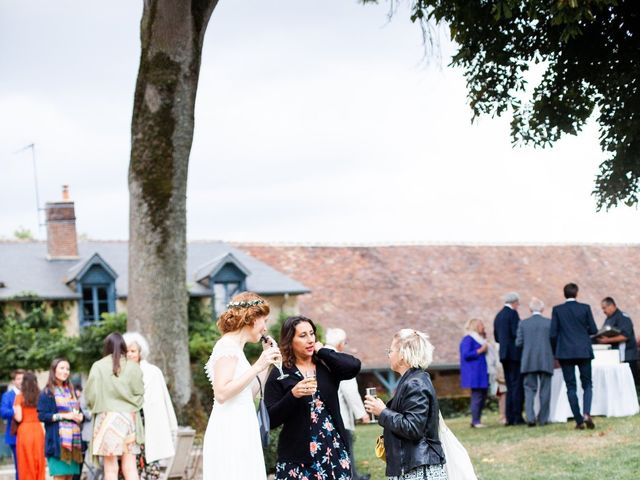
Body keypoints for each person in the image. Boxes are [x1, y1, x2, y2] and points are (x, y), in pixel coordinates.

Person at [265, 316, 361, 480]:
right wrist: (292, 395)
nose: (310, 340)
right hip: (297, 457)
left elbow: (354, 366)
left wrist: (323, 351)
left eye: (311, 334)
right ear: (290, 340)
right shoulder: (280, 373)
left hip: (334, 450)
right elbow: (270, 419)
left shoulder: (326, 364)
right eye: (302, 336)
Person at [202, 292, 282, 480]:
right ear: (252, 318)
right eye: (265, 320)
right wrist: (258, 365)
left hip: (242, 426)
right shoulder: (227, 347)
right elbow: (221, 393)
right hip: (230, 430)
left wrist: (267, 363)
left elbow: (249, 392)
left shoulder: (237, 349)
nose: (265, 328)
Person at [364, 329, 447, 480]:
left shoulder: (415, 383)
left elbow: (413, 428)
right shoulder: (412, 380)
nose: (388, 354)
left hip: (419, 469)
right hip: (412, 466)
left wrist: (383, 412)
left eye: (390, 350)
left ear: (402, 354)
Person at [85, 332, 144, 480]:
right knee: (130, 468)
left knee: (111, 469)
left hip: (106, 419)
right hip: (129, 419)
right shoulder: (133, 367)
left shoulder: (98, 366)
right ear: (124, 346)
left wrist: (97, 406)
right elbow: (140, 393)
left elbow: (90, 395)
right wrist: (131, 406)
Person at [123, 331, 178, 479]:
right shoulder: (119, 372)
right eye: (126, 351)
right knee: (129, 468)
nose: (129, 354)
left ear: (140, 352)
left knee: (151, 468)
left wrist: (171, 426)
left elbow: (163, 401)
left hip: (150, 425)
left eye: (133, 351)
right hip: (129, 427)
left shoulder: (153, 372)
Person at [325, 327, 371, 480]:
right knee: (346, 450)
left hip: (323, 418)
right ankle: (353, 477)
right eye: (344, 342)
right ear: (339, 344)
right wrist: (362, 414)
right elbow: (349, 391)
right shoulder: (339, 360)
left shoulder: (318, 357)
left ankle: (355, 476)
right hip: (341, 417)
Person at [550, 283, 598, 430]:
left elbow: (552, 334)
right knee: (587, 384)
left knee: (571, 386)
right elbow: (594, 329)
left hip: (565, 352)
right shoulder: (585, 308)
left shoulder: (557, 310)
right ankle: (586, 413)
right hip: (583, 351)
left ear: (564, 294)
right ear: (576, 293)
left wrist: (556, 352)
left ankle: (578, 420)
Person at [37, 358, 84, 480]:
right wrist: (63, 416)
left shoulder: (71, 391)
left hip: (73, 443)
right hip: (57, 443)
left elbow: (80, 412)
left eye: (67, 369)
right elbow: (42, 416)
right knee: (60, 477)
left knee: (69, 477)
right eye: (62, 368)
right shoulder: (47, 392)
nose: (66, 371)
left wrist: (80, 416)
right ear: (54, 370)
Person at [515, 297, 554, 426]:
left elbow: (518, 342)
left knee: (529, 390)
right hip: (545, 359)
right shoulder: (549, 323)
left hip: (529, 360)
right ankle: (543, 419)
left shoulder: (523, 323)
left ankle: (530, 418)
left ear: (530, 309)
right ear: (542, 309)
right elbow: (554, 341)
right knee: (545, 390)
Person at [493, 292, 525, 426]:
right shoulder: (513, 314)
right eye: (518, 303)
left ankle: (509, 417)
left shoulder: (499, 315)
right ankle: (517, 417)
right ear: (514, 302)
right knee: (517, 385)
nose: (518, 306)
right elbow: (515, 333)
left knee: (509, 386)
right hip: (514, 355)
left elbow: (496, 337)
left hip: (504, 354)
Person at [596, 297, 639, 385]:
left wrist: (607, 340)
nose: (603, 311)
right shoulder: (609, 318)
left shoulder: (623, 317)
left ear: (611, 305)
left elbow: (625, 336)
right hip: (615, 356)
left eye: (604, 308)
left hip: (627, 356)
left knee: (630, 383)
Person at [13, 371, 45, 480]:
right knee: (38, 459)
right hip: (37, 429)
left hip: (25, 430)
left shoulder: (19, 397)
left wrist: (14, 410)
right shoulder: (40, 396)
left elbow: (19, 417)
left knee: (26, 461)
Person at [459, 319, 489, 428]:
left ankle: (477, 420)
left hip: (481, 372)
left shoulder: (481, 339)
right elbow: (466, 354)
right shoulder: (468, 339)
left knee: (483, 395)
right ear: (475, 326)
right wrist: (480, 350)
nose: (484, 327)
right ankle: (475, 421)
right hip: (474, 373)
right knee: (477, 396)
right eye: (481, 325)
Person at [1, 369, 24, 480]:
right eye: (19, 379)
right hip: (15, 436)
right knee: (20, 467)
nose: (21, 381)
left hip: (29, 435)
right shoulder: (8, 395)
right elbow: (3, 412)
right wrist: (16, 411)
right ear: (13, 381)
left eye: (23, 379)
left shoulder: (29, 394)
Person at [71, 384, 91, 480]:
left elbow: (82, 417)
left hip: (79, 438)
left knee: (78, 466)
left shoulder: (78, 402)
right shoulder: (76, 402)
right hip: (73, 437)